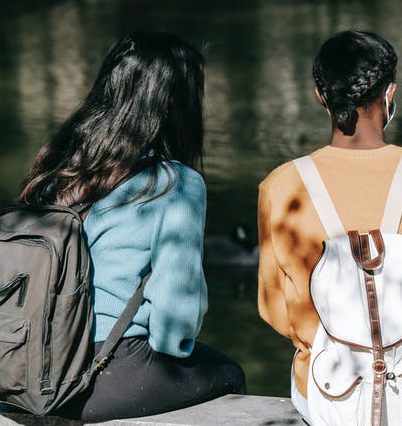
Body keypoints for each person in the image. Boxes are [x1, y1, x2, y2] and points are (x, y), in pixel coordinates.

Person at [256, 30, 402, 425]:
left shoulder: (281, 187)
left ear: (319, 97)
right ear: (390, 94)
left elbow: (276, 312)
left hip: (330, 398)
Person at [16, 31, 245, 421]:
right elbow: (175, 319)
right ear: (173, 106)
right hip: (100, 368)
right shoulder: (175, 183)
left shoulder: (60, 169)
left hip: (27, 363)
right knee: (229, 375)